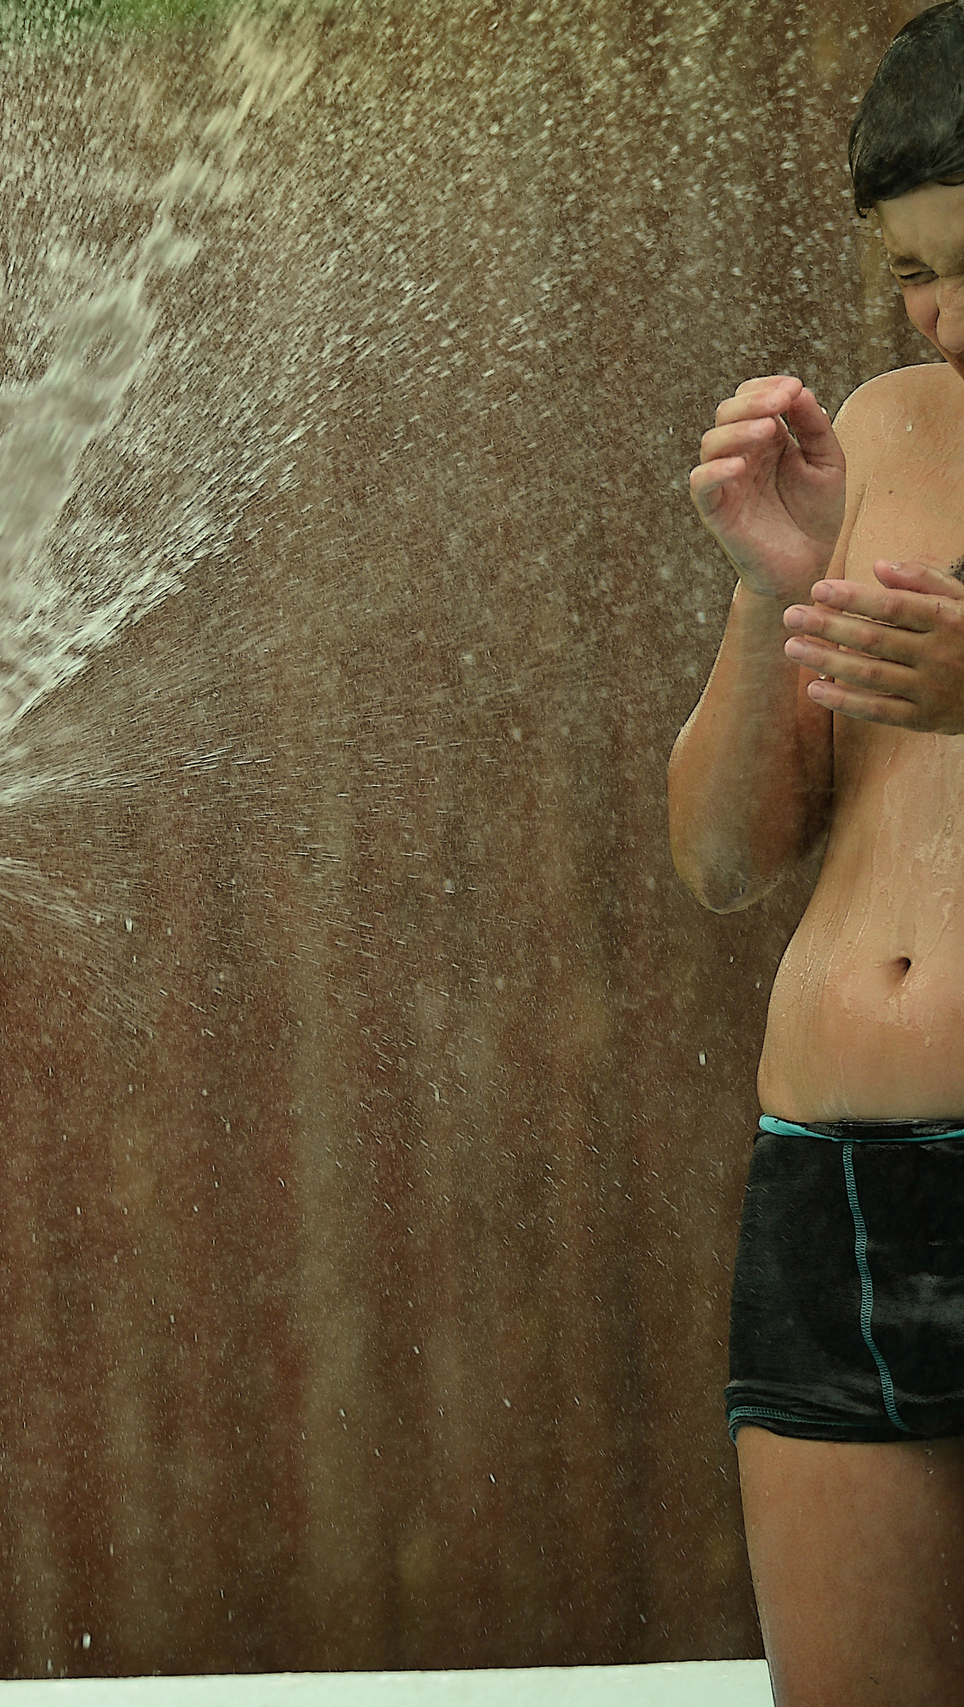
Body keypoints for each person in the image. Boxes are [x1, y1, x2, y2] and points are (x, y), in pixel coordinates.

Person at [670, 7, 964, 1701]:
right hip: (833, 1190)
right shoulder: (889, 426)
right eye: (911, 272)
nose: (939, 319)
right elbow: (723, 857)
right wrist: (771, 582)